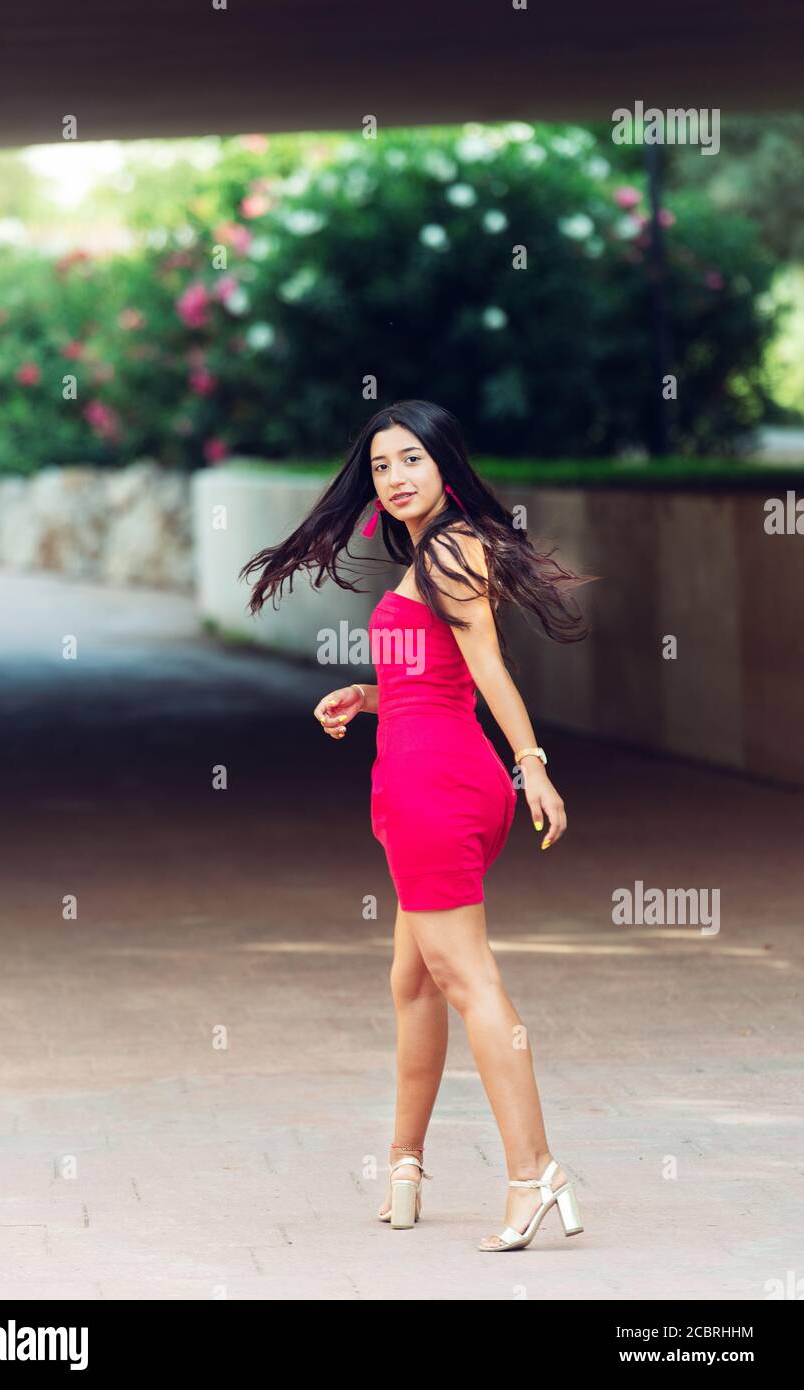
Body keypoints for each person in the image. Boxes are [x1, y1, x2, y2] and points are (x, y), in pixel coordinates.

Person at [240, 399, 593, 1250]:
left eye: (411, 461)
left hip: (439, 788)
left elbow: (489, 668)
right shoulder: (427, 557)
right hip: (420, 777)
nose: (394, 478)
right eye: (381, 466)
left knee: (468, 981)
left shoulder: (452, 546)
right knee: (412, 981)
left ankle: (533, 1173)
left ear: (444, 464)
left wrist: (533, 764)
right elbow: (429, 676)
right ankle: (404, 1163)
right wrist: (365, 696)